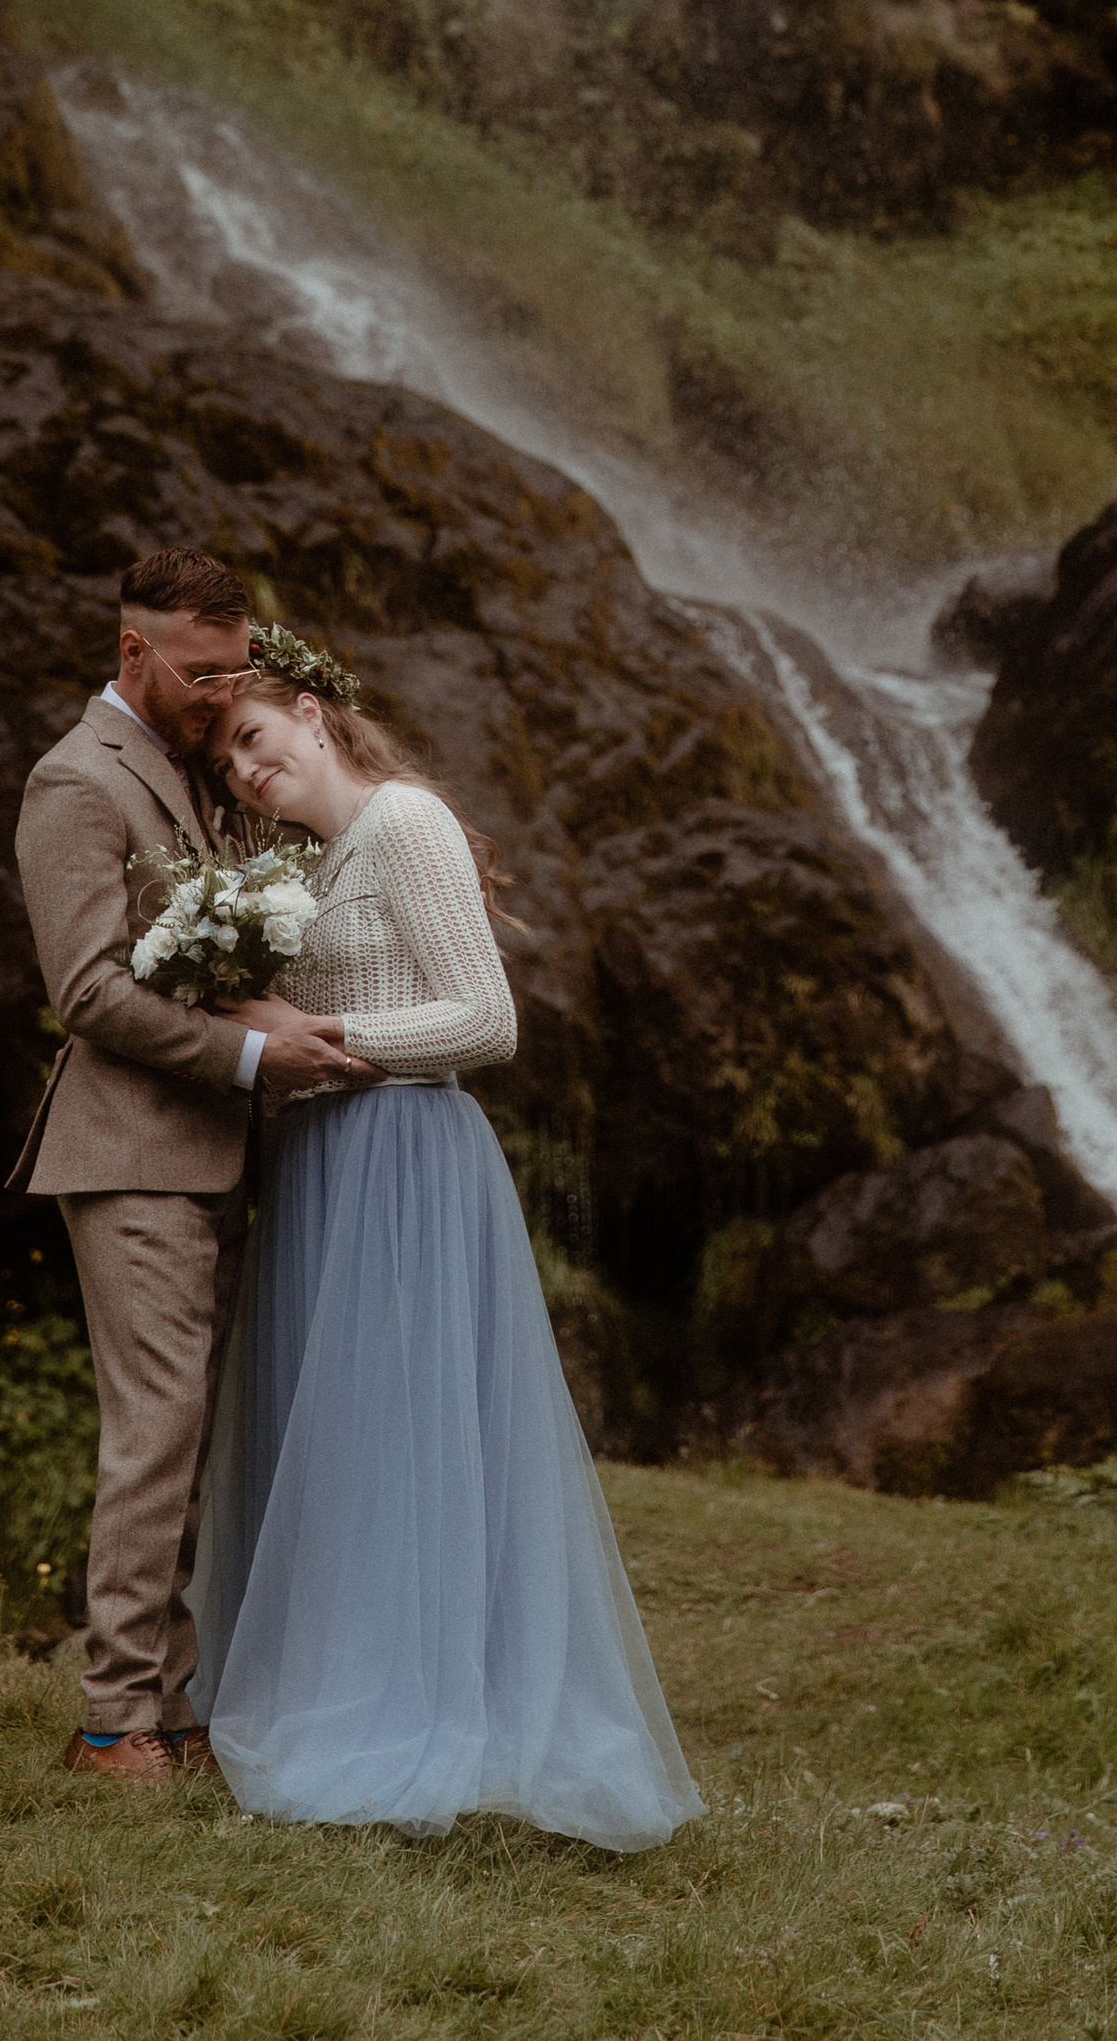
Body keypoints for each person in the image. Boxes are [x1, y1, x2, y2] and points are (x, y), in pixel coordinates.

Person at [187, 646, 702, 1852]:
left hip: (408, 1158)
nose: (248, 770)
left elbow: (485, 1019)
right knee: (348, 1436)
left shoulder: (406, 820)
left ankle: (425, 1706)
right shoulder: (304, 867)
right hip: (325, 1165)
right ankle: (342, 1677)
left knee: (409, 1429)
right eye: (228, 763)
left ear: (311, 717)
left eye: (257, 739)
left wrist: (321, 1035)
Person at [11, 549, 368, 1787]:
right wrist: (247, 1058)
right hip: (133, 1154)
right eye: (204, 672)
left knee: (196, 1433)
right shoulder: (74, 781)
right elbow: (88, 991)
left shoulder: (193, 764)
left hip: (215, 1154)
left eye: (239, 669)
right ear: (133, 654)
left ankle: (173, 1712)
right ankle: (115, 1727)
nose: (226, 695)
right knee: (156, 1430)